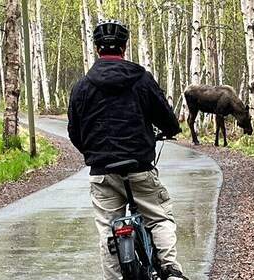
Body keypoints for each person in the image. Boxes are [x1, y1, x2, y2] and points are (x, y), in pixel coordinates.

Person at [67, 19, 188, 280]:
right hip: (140, 168)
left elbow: (75, 133)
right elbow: (167, 120)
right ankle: (171, 270)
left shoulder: (82, 86)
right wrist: (170, 130)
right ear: (125, 46)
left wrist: (93, 152)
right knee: (159, 217)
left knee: (107, 231)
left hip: (103, 172)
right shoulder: (141, 79)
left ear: (97, 48)